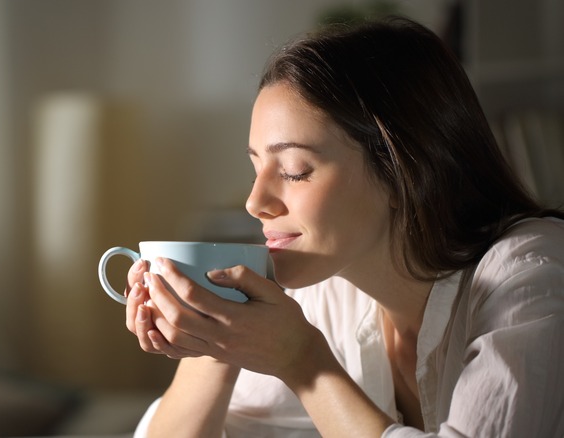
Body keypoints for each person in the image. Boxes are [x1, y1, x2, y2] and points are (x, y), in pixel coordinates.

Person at [123, 16, 564, 437]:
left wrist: (305, 363)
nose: (255, 203)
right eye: (256, 168)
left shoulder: (531, 276)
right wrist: (216, 336)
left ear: (401, 168)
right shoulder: (328, 291)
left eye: (294, 170)